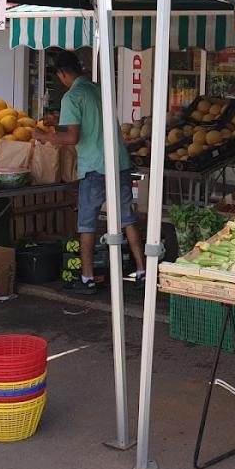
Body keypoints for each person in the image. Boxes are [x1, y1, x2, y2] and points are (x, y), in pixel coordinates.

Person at [34, 51, 146, 294]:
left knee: (87, 224)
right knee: (127, 219)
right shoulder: (98, 89)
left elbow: (73, 137)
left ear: (62, 74)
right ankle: (141, 270)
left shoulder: (72, 96)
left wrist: (44, 136)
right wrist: (57, 121)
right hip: (119, 163)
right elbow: (90, 122)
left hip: (95, 167)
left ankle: (87, 278)